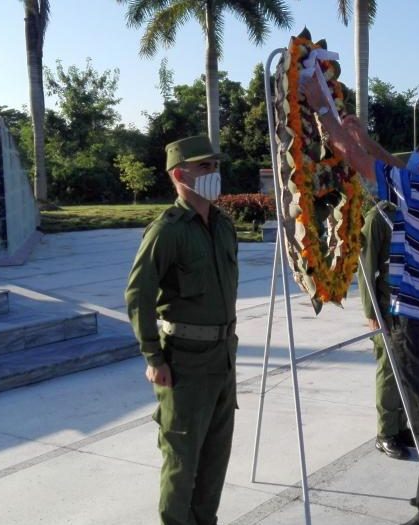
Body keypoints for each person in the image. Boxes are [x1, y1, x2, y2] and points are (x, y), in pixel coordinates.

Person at [302, 74, 419, 525]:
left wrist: (324, 110)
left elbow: (359, 162)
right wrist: (363, 137)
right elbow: (388, 164)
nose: (415, 155)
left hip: (415, 324)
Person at [124, 135, 238, 525]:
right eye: (204, 166)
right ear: (179, 174)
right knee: (181, 460)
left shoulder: (223, 225)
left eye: (215, 166)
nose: (213, 173)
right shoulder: (167, 231)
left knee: (215, 459)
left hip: (223, 359)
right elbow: (138, 294)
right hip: (185, 362)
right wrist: (153, 356)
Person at [359, 198, 414, 460]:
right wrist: (371, 312)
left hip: (412, 307)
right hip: (387, 309)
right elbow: (366, 268)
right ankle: (385, 434)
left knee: (406, 371)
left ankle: (401, 426)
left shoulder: (414, 209)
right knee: (389, 371)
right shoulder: (377, 217)